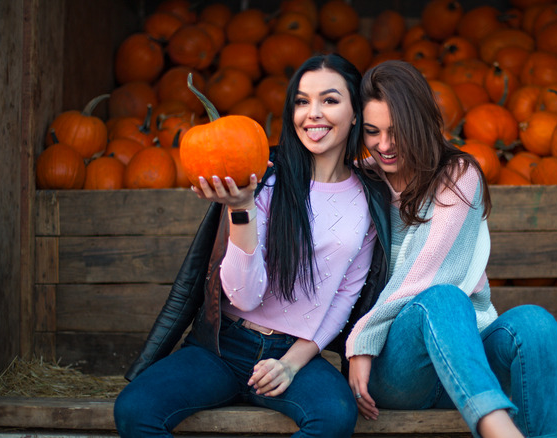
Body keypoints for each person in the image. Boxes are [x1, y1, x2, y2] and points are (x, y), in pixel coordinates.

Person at [114, 54, 392, 438]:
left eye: (329, 100)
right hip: (223, 347)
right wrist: (241, 208)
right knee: (135, 410)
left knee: (334, 417)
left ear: (356, 112)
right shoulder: (263, 177)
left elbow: (344, 297)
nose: (313, 113)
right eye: (301, 101)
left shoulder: (370, 197)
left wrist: (292, 364)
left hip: (294, 354)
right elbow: (244, 297)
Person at [345, 60, 557, 438]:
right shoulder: (359, 180)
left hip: (465, 358)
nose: (384, 145)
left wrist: (361, 336)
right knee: (442, 299)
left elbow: (430, 271)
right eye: (371, 132)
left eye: (396, 132)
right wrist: (365, 343)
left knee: (537, 324)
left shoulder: (458, 175)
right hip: (397, 369)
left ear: (421, 122)